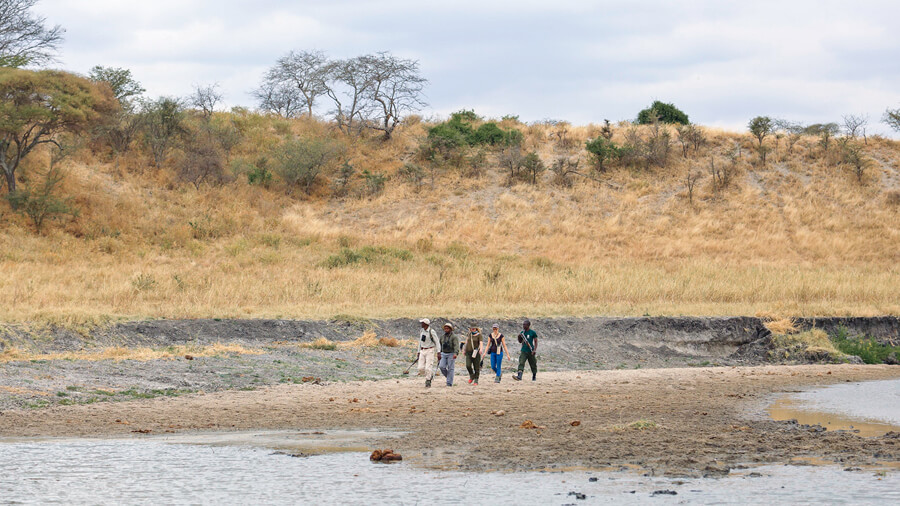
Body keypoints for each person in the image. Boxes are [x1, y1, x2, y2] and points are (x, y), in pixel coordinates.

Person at [416, 318, 439, 388]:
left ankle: (428, 380)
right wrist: (418, 351)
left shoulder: (432, 332)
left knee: (428, 367)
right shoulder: (421, 331)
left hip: (430, 350)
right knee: (420, 368)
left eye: (422, 323)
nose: (421, 324)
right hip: (422, 350)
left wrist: (438, 352)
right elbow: (420, 342)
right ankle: (430, 375)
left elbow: (437, 342)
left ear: (426, 324)